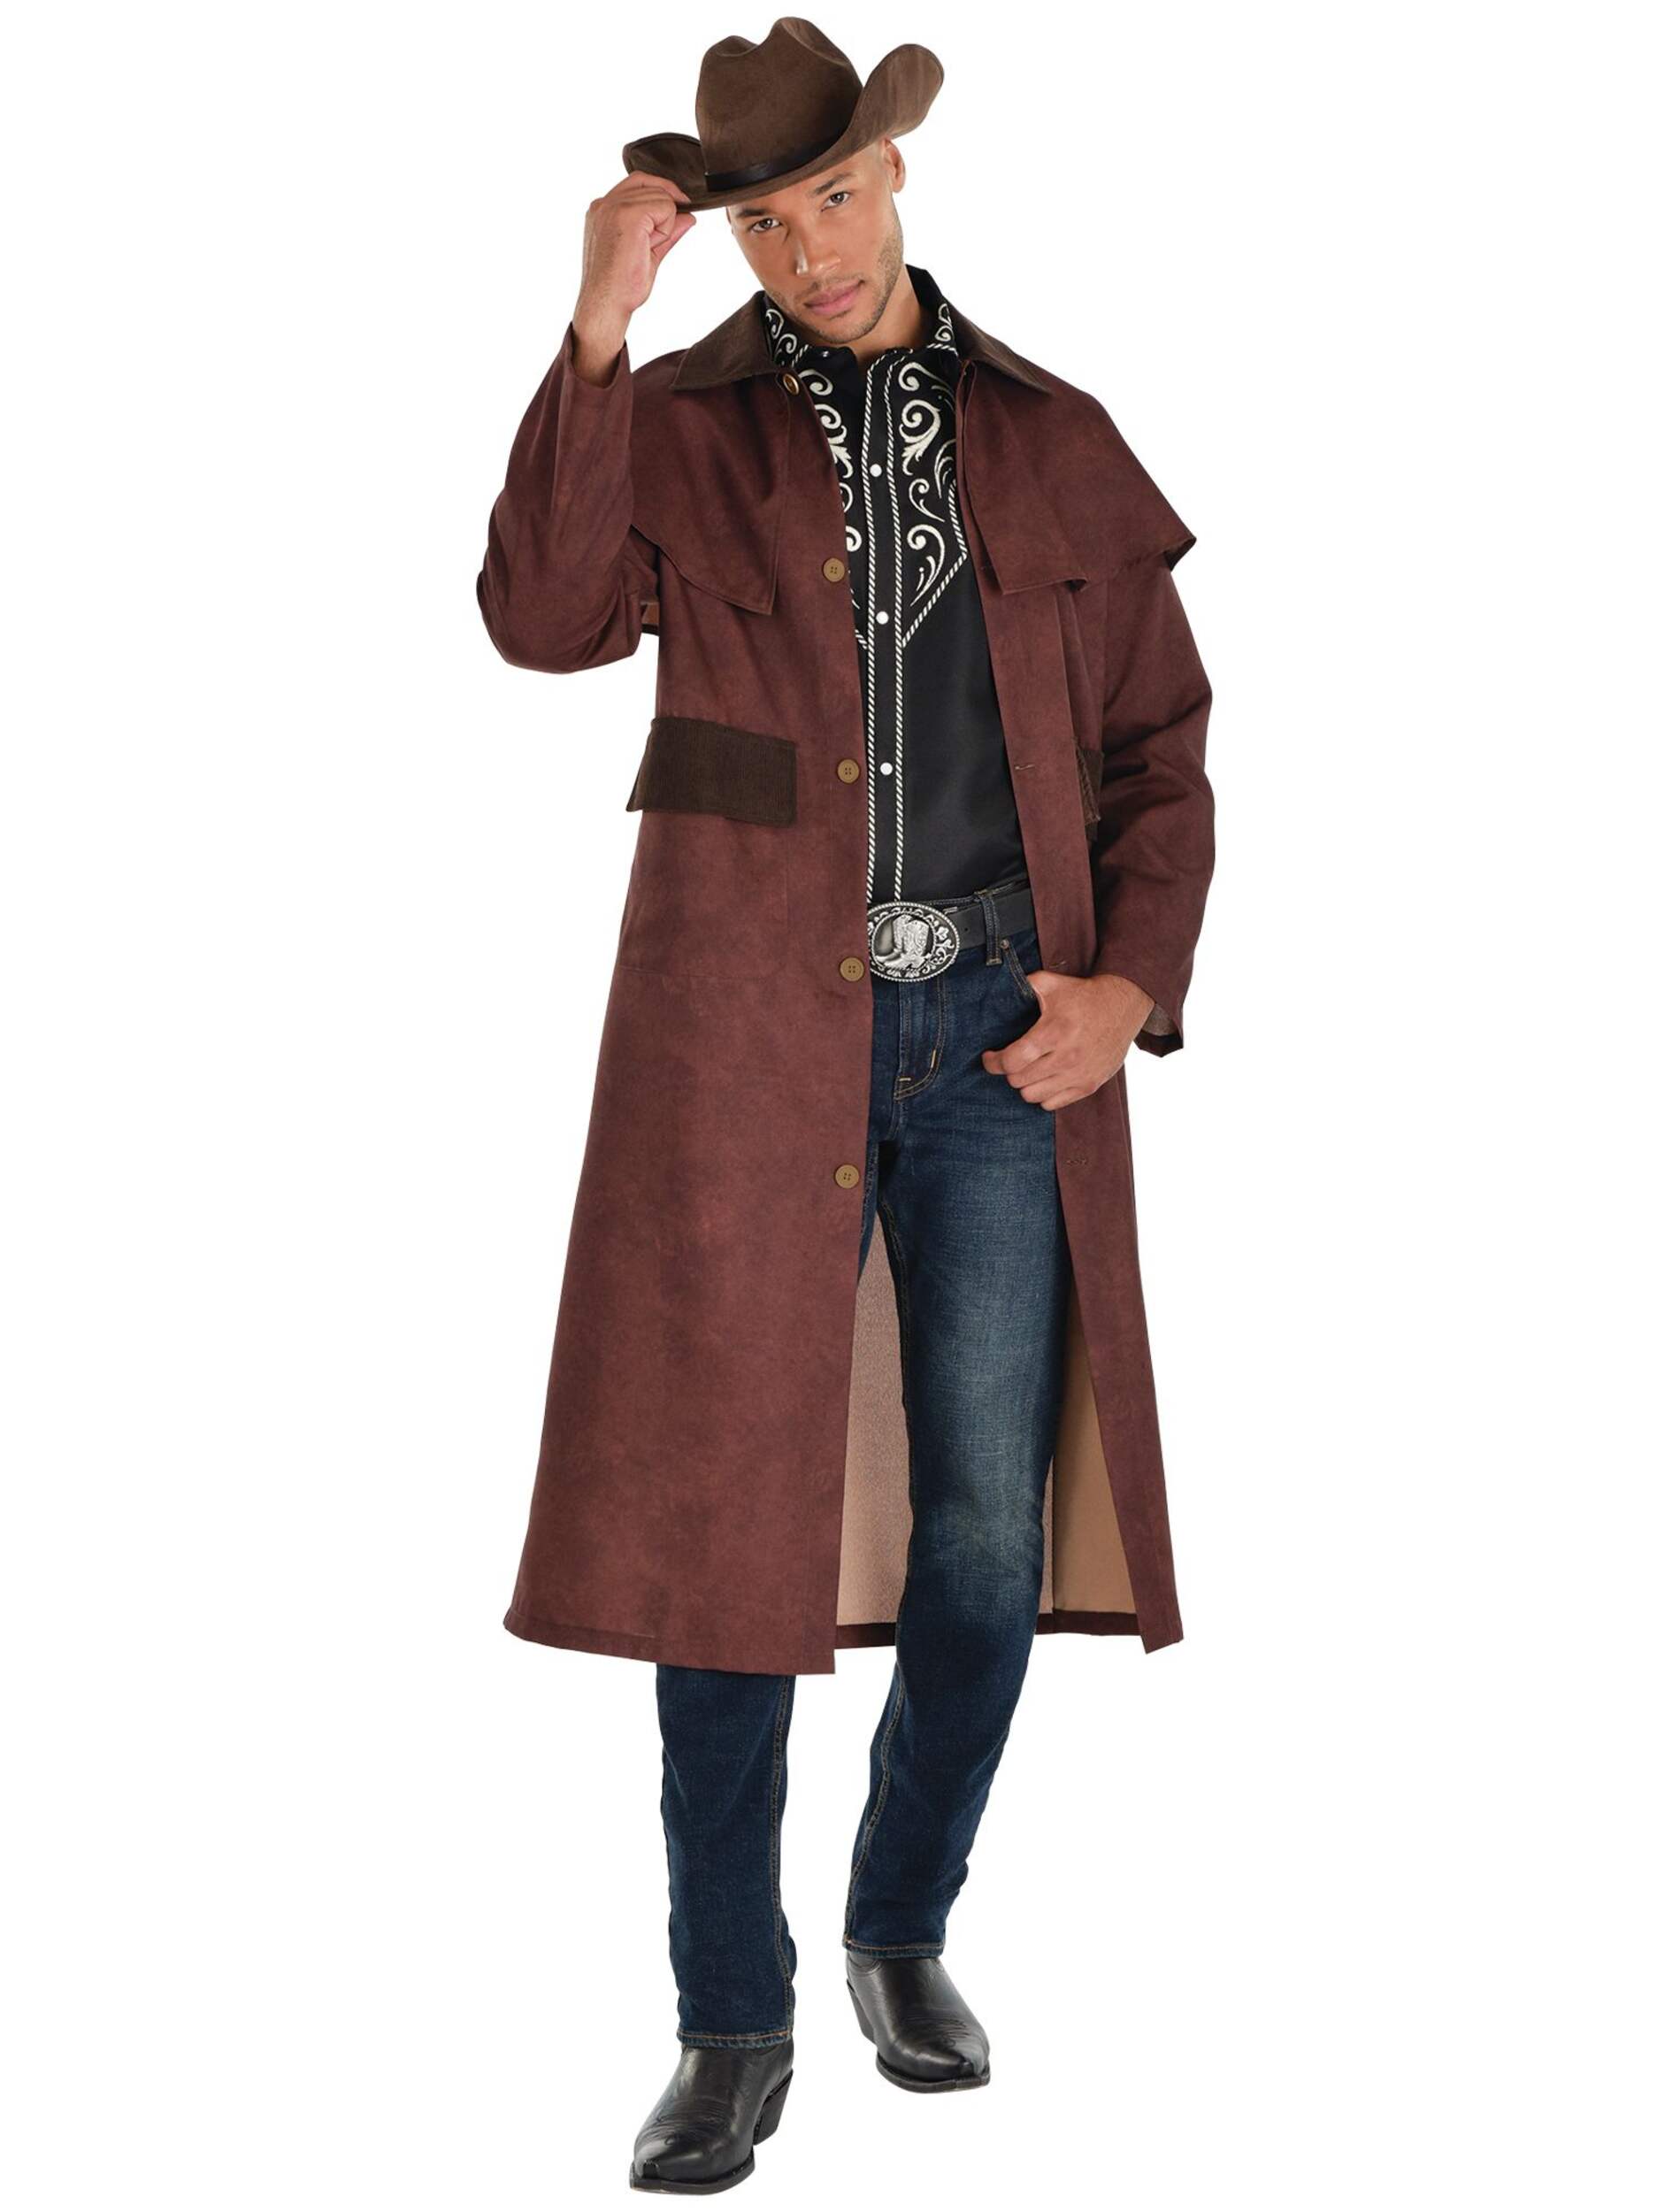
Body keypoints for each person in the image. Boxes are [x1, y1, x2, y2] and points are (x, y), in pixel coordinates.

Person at [476, 20, 1216, 2194]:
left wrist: (1128, 984)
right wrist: (593, 333)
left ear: (894, 181)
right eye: (760, 222)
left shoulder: (1056, 435)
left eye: (830, 198)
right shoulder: (673, 428)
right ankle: (729, 2014)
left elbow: (1161, 750)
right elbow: (540, 619)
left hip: (998, 1039)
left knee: (983, 1532)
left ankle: (900, 1916)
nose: (805, 250)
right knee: (721, 1540)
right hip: (739, 1039)